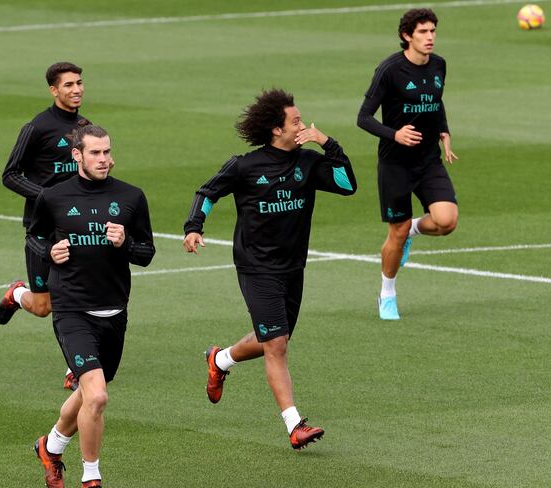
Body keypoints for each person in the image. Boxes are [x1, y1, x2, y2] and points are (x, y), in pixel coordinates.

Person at [183, 89, 357, 450]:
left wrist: (328, 143)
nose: (303, 126)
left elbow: (347, 185)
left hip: (293, 267)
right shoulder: (245, 166)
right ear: (276, 130)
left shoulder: (308, 162)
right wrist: (194, 226)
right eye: (296, 122)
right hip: (256, 267)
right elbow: (208, 193)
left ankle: (220, 359)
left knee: (274, 338)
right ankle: (294, 425)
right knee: (276, 343)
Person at [27, 124, 155, 488]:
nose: (105, 159)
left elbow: (146, 252)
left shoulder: (131, 197)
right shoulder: (53, 196)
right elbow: (33, 237)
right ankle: (92, 480)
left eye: (108, 152)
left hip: (114, 311)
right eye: (96, 153)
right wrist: (51, 252)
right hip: (72, 310)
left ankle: (50, 446)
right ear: (77, 156)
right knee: (97, 395)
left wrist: (125, 243)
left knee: (87, 395)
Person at [357, 8, 459, 320]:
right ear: (407, 36)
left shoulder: (439, 65)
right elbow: (363, 117)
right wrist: (395, 134)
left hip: (428, 160)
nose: (430, 38)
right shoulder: (389, 70)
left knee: (447, 221)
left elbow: (435, 101)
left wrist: (444, 132)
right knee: (395, 232)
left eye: (432, 32)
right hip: (396, 164)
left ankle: (415, 229)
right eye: (423, 33)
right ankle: (387, 294)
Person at [0, 61, 90, 390]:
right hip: (41, 230)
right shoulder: (37, 127)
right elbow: (10, 175)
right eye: (68, 85)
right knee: (43, 307)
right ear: (54, 90)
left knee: (74, 297)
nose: (76, 89)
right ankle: (17, 293)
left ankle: (76, 367)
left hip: (75, 227)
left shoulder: (85, 127)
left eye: (79, 83)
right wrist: (47, 196)